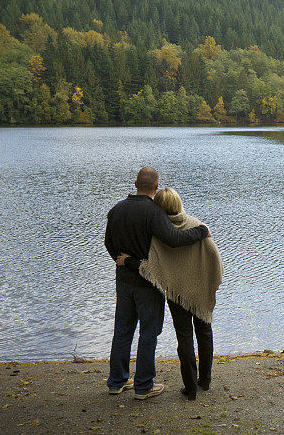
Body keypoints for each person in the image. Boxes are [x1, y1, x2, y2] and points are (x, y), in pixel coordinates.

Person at [104, 167, 210, 400]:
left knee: (122, 330)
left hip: (123, 281)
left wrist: (121, 262)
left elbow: (108, 243)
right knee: (148, 333)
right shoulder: (153, 212)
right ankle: (143, 385)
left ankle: (117, 381)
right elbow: (174, 240)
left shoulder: (116, 210)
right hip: (147, 283)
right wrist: (201, 231)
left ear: (134, 184)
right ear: (155, 187)